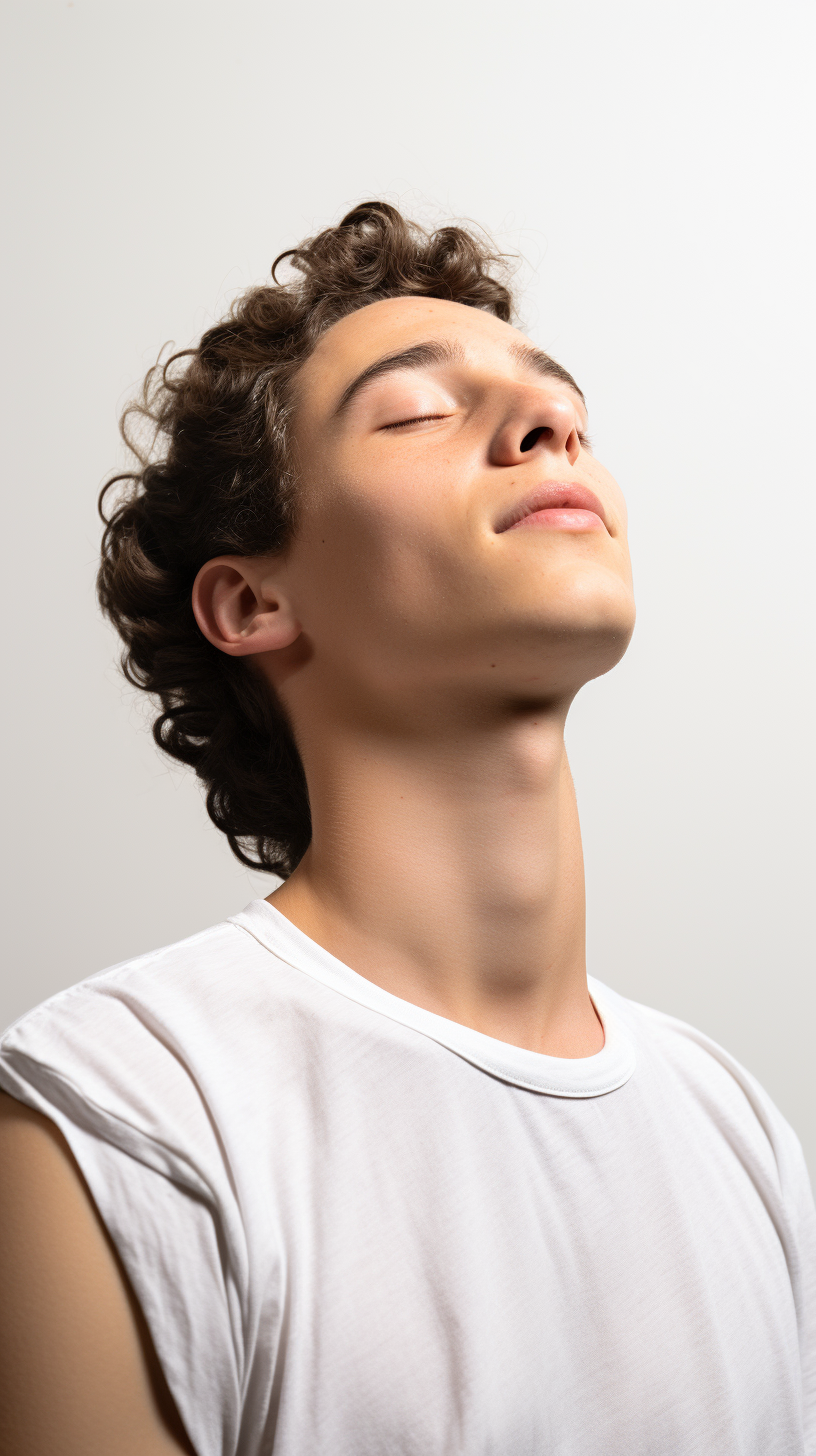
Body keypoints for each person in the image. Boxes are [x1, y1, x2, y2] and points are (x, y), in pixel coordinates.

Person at [0, 202, 813, 1456]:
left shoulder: (737, 1128)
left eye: (565, 412)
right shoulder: (123, 1114)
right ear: (253, 598)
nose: (549, 429)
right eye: (420, 410)